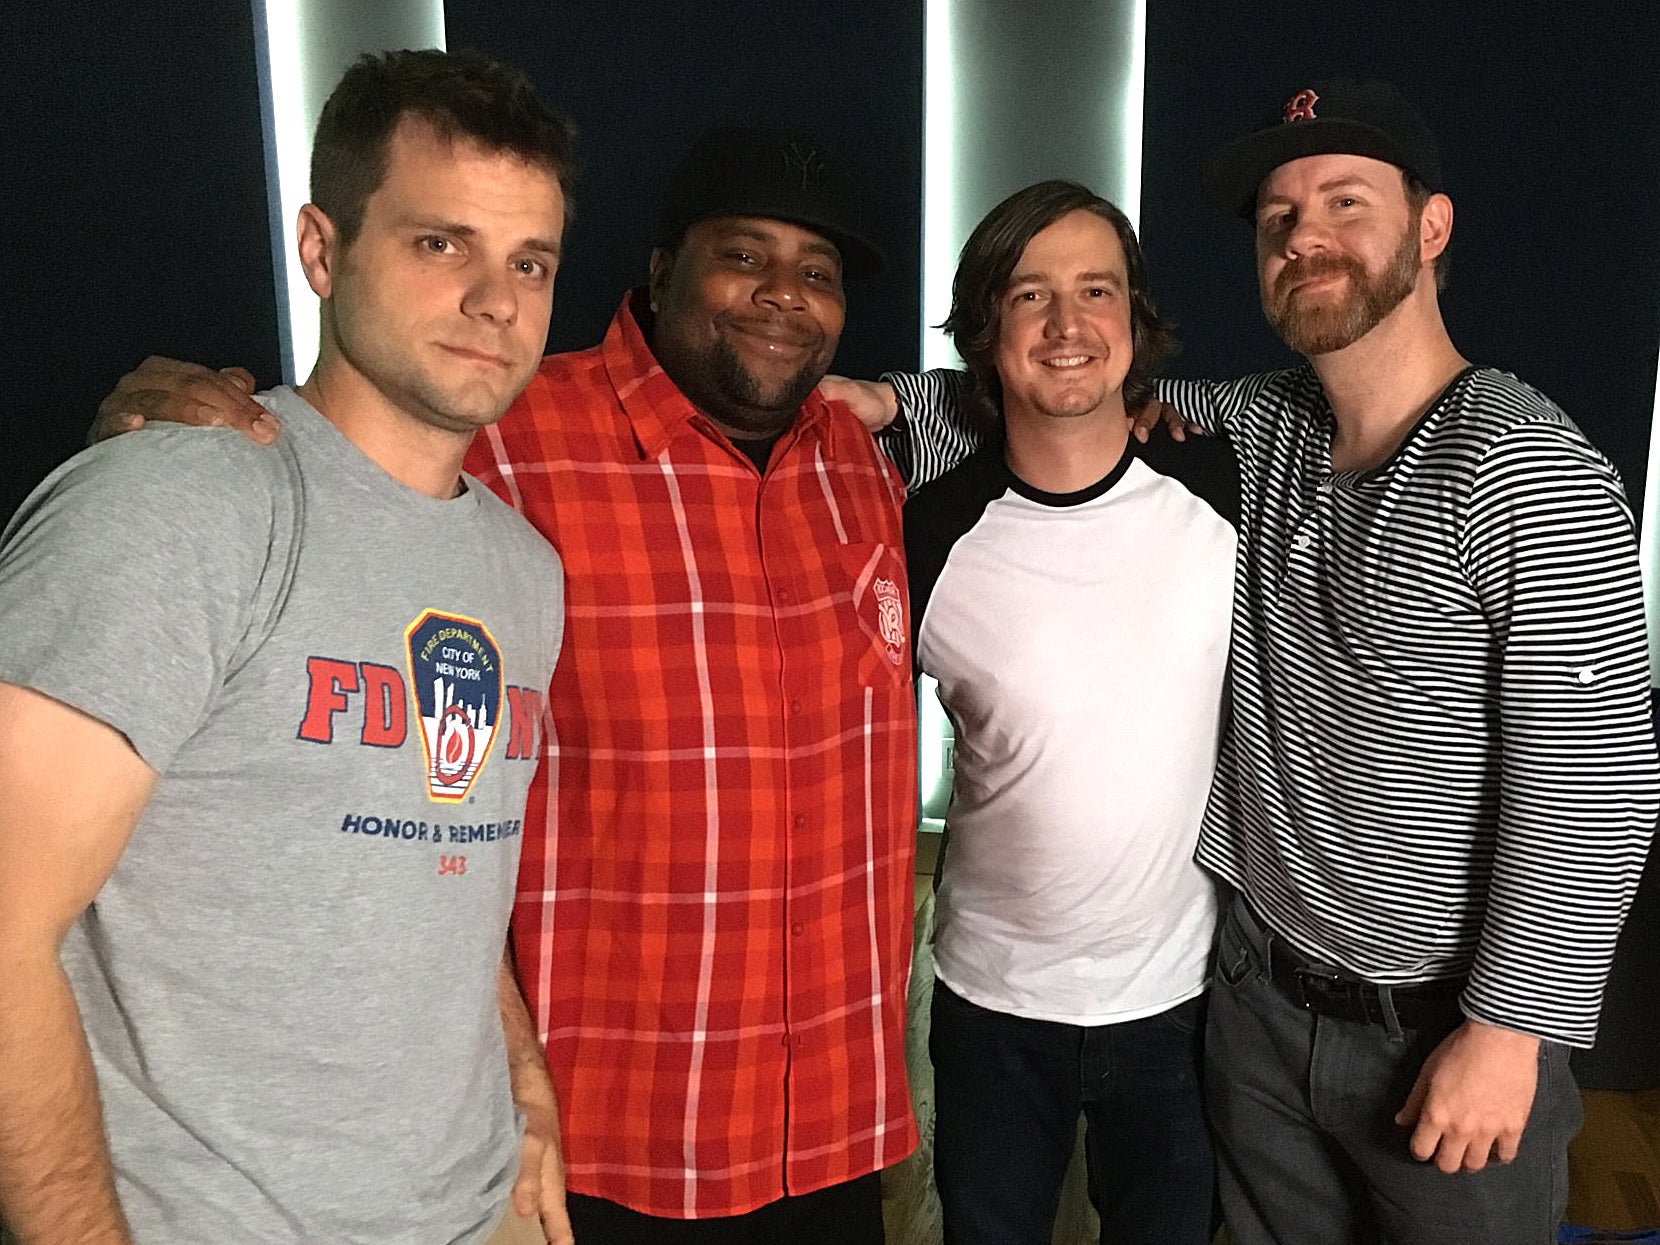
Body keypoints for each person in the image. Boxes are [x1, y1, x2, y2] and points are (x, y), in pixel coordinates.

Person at [862, 77, 1660, 1245]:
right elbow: (1061, 399)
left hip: (1442, 1029)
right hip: (1249, 1010)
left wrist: (1507, 1031)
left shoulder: (1521, 463)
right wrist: (879, 401)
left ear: (1431, 229)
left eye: (1345, 202)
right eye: (1280, 219)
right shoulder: (1259, 430)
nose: (1306, 239)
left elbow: (1593, 781)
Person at [91, 125, 922, 1243]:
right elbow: (326, 463)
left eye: (816, 273)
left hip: (829, 1126)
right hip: (596, 1141)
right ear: (662, 268)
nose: (782, 295)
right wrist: (164, 431)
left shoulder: (857, 462)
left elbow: (1043, 402)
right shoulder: (504, 435)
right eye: (744, 255)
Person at [0, 49, 576, 1245]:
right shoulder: (178, 504)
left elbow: (443, 868)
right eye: (440, 243)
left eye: (529, 262)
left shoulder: (524, 572)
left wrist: (521, 1095)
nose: (495, 300)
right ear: (323, 251)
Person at [902, 180, 1234, 1245]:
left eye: (1095, 291)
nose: (1064, 324)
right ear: (986, 329)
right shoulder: (928, 532)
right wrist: (897, 398)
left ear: (1133, 323)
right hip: (991, 1003)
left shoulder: (1217, 479)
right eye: (1029, 295)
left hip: (1177, 1003)